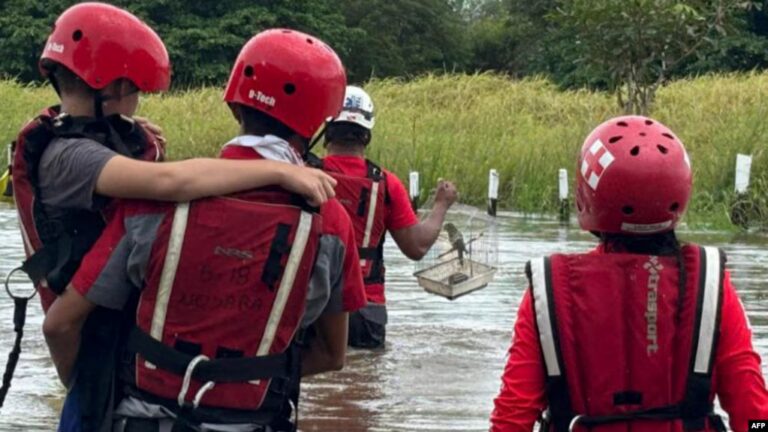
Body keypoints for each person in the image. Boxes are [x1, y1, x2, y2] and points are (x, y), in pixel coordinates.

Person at [12, 4, 335, 431]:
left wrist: (126, 129)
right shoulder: (71, 157)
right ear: (114, 85)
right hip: (91, 337)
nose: (138, 100)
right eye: (136, 89)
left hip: (102, 326)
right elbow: (171, 182)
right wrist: (279, 171)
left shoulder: (74, 135)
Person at [490, 116, 768, 432]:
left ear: (586, 196)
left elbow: (511, 418)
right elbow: (754, 414)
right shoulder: (711, 286)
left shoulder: (549, 290)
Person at [311, 85, 458, 349]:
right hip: (367, 308)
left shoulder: (303, 174)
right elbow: (416, 247)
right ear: (366, 136)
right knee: (365, 373)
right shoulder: (387, 184)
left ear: (327, 132)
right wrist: (441, 205)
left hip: (311, 303)